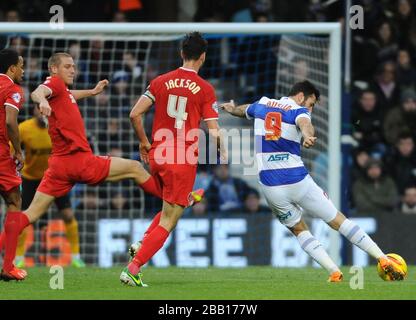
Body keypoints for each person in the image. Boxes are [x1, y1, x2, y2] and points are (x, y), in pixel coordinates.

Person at [0, 52, 166, 281]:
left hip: (58, 166)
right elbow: (39, 91)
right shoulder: (53, 84)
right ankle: (172, 200)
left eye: (74, 66)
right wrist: (43, 100)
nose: (73, 70)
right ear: (54, 69)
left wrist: (92, 92)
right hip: (80, 162)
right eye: (67, 66)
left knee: (28, 215)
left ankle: (6, 261)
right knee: (135, 168)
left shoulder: (62, 91)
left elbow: (69, 96)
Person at [220, 80, 406, 282]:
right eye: (311, 103)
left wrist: (231, 109)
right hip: (297, 179)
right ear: (301, 96)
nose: (310, 108)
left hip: (270, 185)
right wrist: (308, 136)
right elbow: (305, 124)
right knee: (337, 219)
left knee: (299, 230)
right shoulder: (298, 110)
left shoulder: (263, 104)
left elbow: (244, 109)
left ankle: (334, 272)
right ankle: (382, 258)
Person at [120, 32, 223, 287]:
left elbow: (134, 114)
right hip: (182, 157)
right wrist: (222, 150)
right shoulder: (206, 89)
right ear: (203, 57)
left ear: (181, 53)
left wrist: (144, 142)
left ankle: (142, 242)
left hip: (157, 154)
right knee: (170, 218)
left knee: (172, 205)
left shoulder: (159, 81)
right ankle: (134, 268)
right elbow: (214, 130)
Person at [14, 105, 86, 268]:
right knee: (24, 216)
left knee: (67, 215)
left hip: (56, 177)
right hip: (30, 178)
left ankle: (76, 257)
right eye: (37, 109)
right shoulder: (24, 129)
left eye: (44, 109)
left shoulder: (58, 128)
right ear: (33, 111)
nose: (41, 112)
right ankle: (18, 257)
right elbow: (13, 152)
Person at [0, 48, 25, 279]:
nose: (23, 70)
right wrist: (17, 151)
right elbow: (10, 122)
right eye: (21, 65)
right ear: (12, 68)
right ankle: (8, 267)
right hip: (1, 156)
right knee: (15, 201)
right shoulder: (12, 89)